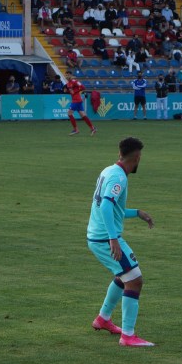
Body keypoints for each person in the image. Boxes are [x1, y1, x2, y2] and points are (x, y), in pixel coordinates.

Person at [86, 136, 156, 347]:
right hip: (103, 238)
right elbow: (106, 206)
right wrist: (113, 238)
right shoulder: (119, 178)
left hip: (96, 235)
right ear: (137, 157)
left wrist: (137, 213)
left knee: (124, 275)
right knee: (134, 280)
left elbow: (113, 208)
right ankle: (128, 336)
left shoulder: (108, 170)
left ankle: (103, 319)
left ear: (119, 154)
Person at [64, 70, 97, 136]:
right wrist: (67, 91)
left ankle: (76, 129)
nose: (67, 76)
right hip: (77, 100)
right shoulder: (68, 84)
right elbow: (72, 91)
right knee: (83, 115)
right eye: (66, 75)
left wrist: (76, 91)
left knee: (69, 113)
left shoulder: (74, 81)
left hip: (76, 100)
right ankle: (93, 128)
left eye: (68, 75)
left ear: (71, 75)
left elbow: (83, 87)